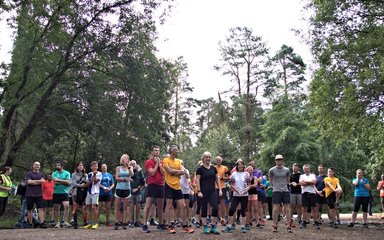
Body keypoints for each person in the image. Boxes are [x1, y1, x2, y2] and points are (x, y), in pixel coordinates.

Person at [163, 145, 194, 234]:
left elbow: (183, 172)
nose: (178, 152)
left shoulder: (178, 161)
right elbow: (170, 172)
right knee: (169, 205)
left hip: (177, 186)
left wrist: (176, 172)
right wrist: (177, 172)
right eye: (177, 150)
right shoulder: (166, 160)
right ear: (172, 151)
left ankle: (184, 226)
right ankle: (170, 226)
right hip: (169, 185)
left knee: (183, 205)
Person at [142, 146, 167, 233]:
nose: (157, 152)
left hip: (161, 185)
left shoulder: (161, 162)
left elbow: (164, 174)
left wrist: (159, 164)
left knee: (160, 205)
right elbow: (152, 173)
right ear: (152, 152)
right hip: (152, 184)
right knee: (148, 204)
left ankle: (160, 224)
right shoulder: (148, 162)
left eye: (158, 151)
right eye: (155, 150)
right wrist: (156, 164)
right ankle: (144, 224)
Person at [195, 151, 221, 235]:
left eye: (209, 157)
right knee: (204, 208)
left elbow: (217, 179)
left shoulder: (214, 168)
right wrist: (199, 191)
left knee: (215, 207)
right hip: (203, 191)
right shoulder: (200, 169)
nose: (208, 159)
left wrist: (220, 189)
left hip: (212, 191)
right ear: (203, 158)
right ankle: (205, 226)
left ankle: (213, 226)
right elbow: (197, 180)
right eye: (206, 157)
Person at [222, 159, 250, 233]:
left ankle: (243, 226)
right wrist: (237, 190)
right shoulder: (234, 174)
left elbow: (249, 185)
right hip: (236, 195)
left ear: (244, 165)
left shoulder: (246, 174)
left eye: (241, 164)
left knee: (243, 210)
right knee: (232, 209)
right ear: (237, 166)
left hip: (244, 195)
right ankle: (229, 226)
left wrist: (245, 190)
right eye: (239, 164)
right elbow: (231, 184)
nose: (240, 166)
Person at [268, 154, 292, 233]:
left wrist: (284, 186)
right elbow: (270, 180)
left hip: (285, 191)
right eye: (277, 159)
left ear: (283, 160)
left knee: (287, 208)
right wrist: (274, 187)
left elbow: (288, 180)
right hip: (276, 191)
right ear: (275, 161)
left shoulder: (287, 170)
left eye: (280, 159)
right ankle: (275, 225)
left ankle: (288, 225)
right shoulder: (271, 170)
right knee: (275, 209)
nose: (279, 161)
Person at [114, 154, 134, 230]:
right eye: (124, 158)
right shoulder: (118, 168)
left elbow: (132, 174)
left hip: (127, 189)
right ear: (122, 160)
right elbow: (116, 178)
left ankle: (124, 222)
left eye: (127, 158)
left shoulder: (130, 167)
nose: (126, 159)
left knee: (125, 207)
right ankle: (116, 222)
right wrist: (125, 179)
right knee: (117, 207)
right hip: (119, 188)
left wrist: (129, 168)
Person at [25, 162, 47, 228]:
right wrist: (39, 181)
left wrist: (33, 181)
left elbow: (43, 181)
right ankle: (30, 223)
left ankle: (42, 223)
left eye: (38, 165)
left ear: (40, 166)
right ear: (33, 166)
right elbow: (29, 182)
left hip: (39, 194)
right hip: (29, 194)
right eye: (36, 164)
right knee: (29, 209)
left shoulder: (42, 174)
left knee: (40, 208)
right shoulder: (29, 173)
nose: (37, 166)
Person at [299, 164, 319, 229]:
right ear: (303, 170)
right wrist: (310, 182)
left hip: (312, 193)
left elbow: (314, 182)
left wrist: (306, 182)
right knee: (304, 209)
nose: (306, 170)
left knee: (314, 209)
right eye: (305, 169)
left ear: (309, 169)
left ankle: (316, 222)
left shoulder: (313, 175)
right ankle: (304, 222)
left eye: (307, 169)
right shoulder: (301, 176)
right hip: (304, 193)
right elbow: (301, 184)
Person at [83, 161, 102, 229]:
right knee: (88, 207)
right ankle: (90, 223)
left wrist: (93, 177)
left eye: (96, 166)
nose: (94, 167)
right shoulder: (89, 174)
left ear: (97, 167)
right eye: (93, 166)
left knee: (94, 207)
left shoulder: (99, 173)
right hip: (89, 192)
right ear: (91, 167)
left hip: (95, 192)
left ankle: (95, 223)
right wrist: (92, 178)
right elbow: (87, 184)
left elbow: (95, 182)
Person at [52, 162, 71, 228]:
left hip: (65, 192)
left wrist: (58, 180)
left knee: (67, 206)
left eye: (58, 165)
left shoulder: (67, 173)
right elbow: (55, 182)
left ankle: (65, 221)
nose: (57, 166)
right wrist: (63, 181)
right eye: (56, 165)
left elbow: (68, 182)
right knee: (57, 208)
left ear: (62, 166)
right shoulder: (54, 173)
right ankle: (57, 222)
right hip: (56, 192)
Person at [71, 162, 88, 229]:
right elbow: (73, 183)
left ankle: (85, 222)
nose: (81, 166)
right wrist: (80, 185)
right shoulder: (74, 174)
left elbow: (87, 182)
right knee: (75, 207)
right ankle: (75, 223)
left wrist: (84, 185)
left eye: (82, 165)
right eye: (79, 165)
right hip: (75, 192)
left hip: (83, 192)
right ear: (77, 167)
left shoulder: (85, 175)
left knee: (84, 207)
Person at [128, 160, 145, 227]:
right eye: (131, 164)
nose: (133, 165)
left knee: (138, 205)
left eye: (134, 163)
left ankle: (137, 221)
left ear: (136, 164)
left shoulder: (139, 171)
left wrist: (138, 188)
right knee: (131, 205)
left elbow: (143, 182)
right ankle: (131, 221)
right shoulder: (128, 171)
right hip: (130, 191)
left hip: (138, 191)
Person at [245, 166, 261, 230]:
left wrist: (249, 186)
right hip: (247, 194)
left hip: (254, 194)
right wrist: (249, 186)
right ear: (246, 171)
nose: (250, 171)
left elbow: (255, 185)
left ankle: (257, 222)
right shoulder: (245, 178)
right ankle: (249, 222)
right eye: (248, 170)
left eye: (251, 170)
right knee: (248, 209)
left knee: (256, 208)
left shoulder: (255, 177)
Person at [215, 156, 229, 225]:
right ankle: (218, 218)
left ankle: (223, 218)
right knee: (215, 203)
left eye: (220, 160)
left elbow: (228, 177)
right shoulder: (213, 168)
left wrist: (222, 178)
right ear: (215, 161)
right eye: (217, 160)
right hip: (214, 187)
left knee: (222, 203)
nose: (218, 161)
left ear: (221, 161)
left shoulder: (225, 168)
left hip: (222, 187)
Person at [289, 163, 302, 227]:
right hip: (292, 192)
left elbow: (302, 183)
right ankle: (290, 220)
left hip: (299, 192)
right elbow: (288, 182)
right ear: (292, 168)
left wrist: (297, 184)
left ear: (298, 168)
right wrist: (291, 183)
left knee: (299, 206)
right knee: (291, 206)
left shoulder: (300, 175)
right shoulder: (290, 175)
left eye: (296, 167)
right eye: (294, 167)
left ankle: (299, 219)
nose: (295, 168)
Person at [179, 160, 191, 227]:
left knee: (186, 205)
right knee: (180, 206)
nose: (181, 165)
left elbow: (188, 176)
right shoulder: (176, 170)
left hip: (186, 190)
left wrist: (184, 171)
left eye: (181, 164)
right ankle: (180, 219)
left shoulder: (186, 170)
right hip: (179, 190)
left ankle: (187, 219)